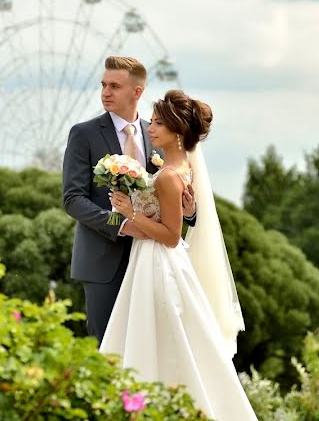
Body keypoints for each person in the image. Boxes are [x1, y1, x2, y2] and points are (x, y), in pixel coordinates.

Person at [100, 89, 255, 420]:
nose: (151, 128)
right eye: (152, 122)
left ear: (178, 132)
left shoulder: (169, 176)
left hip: (158, 263)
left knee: (157, 334)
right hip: (157, 260)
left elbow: (170, 237)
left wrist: (131, 212)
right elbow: (177, 221)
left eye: (158, 123)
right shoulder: (178, 168)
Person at [62, 56, 195, 344]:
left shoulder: (157, 133)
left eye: (114, 86)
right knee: (107, 349)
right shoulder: (83, 134)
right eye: (103, 85)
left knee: (149, 347)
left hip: (153, 261)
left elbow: (168, 197)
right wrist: (120, 224)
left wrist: (189, 210)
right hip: (102, 262)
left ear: (137, 92)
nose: (105, 92)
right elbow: (73, 199)